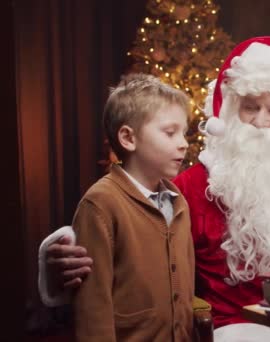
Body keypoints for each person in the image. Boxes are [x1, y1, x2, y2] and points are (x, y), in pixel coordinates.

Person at [39, 36, 270, 341]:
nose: (259, 122)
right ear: (229, 112)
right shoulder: (193, 186)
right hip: (236, 329)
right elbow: (135, 251)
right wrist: (63, 264)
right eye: (249, 107)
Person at [52, 73, 195, 341]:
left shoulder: (179, 204)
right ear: (129, 138)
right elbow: (92, 307)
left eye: (184, 132)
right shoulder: (101, 204)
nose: (184, 143)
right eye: (170, 132)